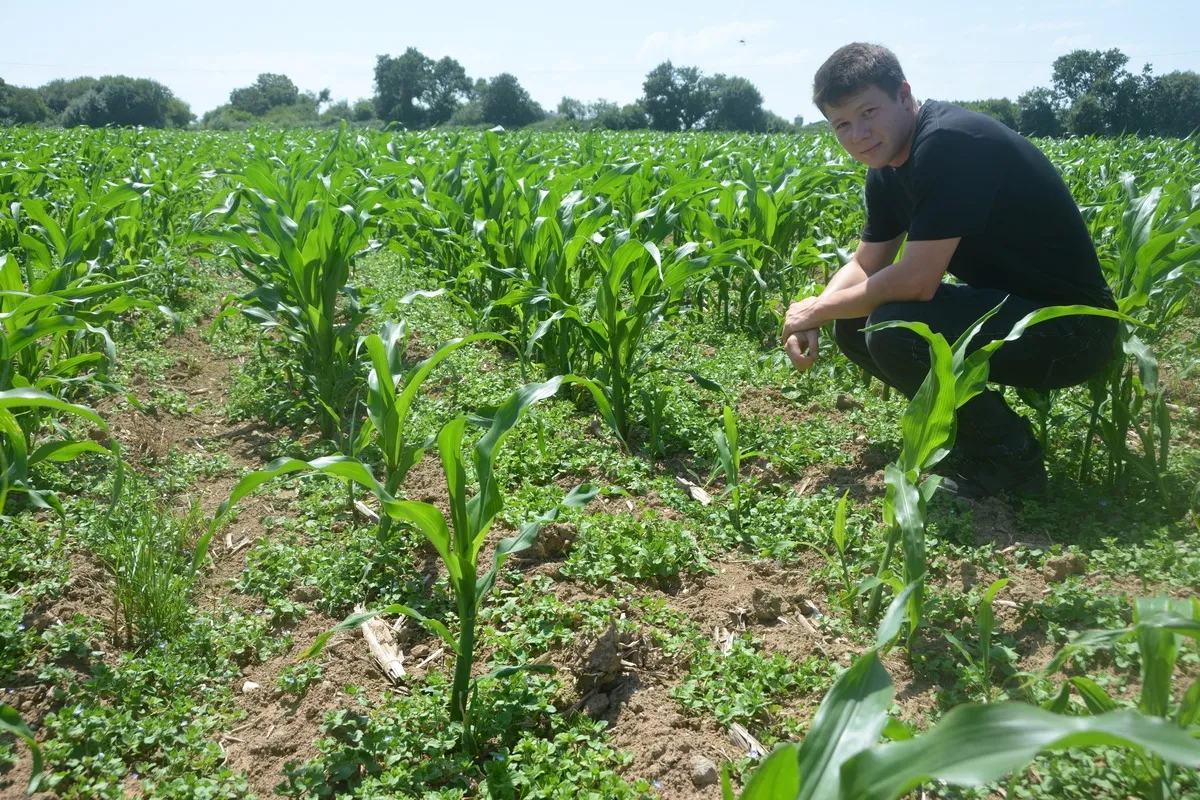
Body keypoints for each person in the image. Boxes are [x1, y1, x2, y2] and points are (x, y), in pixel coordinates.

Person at [782, 42, 1117, 499]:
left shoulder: (948, 143)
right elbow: (865, 263)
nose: (858, 133)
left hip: (1074, 330)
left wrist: (814, 311)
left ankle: (1010, 459)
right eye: (842, 123)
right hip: (1015, 312)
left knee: (891, 326)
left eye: (868, 112)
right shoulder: (887, 168)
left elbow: (917, 283)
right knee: (856, 321)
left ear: (904, 95)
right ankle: (966, 439)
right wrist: (821, 312)